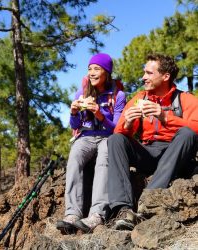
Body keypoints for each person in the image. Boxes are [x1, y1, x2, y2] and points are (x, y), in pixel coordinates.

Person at [107, 53, 198, 231]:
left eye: (149, 73)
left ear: (165, 76)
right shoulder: (140, 98)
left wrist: (165, 116)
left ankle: (148, 201)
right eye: (144, 72)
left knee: (187, 133)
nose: (143, 77)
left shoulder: (185, 99)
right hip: (149, 153)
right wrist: (127, 123)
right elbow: (119, 132)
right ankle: (123, 210)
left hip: (176, 154)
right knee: (115, 139)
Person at [56, 53, 126, 233]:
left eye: (97, 69)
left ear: (107, 72)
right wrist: (73, 113)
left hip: (106, 137)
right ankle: (72, 213)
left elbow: (116, 128)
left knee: (104, 159)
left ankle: (97, 214)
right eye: (89, 69)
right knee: (74, 157)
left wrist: (99, 114)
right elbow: (76, 126)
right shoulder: (82, 92)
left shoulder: (118, 95)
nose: (92, 73)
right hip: (86, 137)